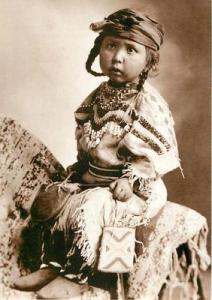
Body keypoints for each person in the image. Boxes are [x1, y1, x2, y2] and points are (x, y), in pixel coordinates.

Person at [6, 8, 210, 300]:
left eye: (131, 49)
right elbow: (88, 139)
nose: (117, 57)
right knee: (56, 199)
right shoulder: (99, 95)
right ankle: (51, 265)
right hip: (96, 179)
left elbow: (155, 155)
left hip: (136, 188)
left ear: (149, 61)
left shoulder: (146, 103)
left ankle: (79, 278)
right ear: (98, 49)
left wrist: (131, 180)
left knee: (90, 207)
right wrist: (79, 170)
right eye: (110, 45)